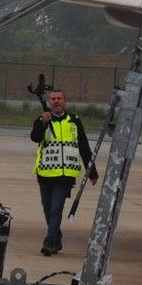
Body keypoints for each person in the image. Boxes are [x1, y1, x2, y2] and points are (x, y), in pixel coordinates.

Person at [31, 87, 97, 256]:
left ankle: (49, 242)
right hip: (45, 173)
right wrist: (42, 123)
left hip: (64, 175)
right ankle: (57, 238)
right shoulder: (43, 119)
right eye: (53, 99)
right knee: (47, 210)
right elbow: (35, 137)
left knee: (55, 210)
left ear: (64, 101)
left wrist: (92, 171)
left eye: (59, 98)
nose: (56, 101)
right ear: (50, 102)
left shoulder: (74, 121)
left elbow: (84, 147)